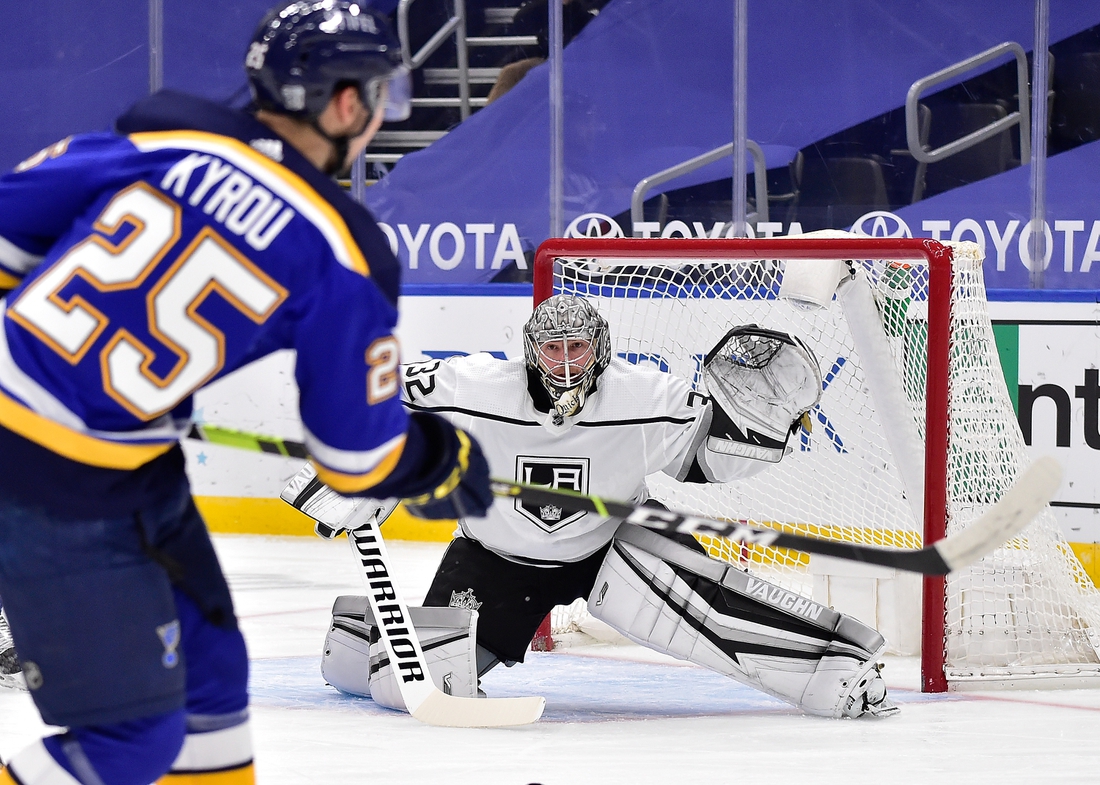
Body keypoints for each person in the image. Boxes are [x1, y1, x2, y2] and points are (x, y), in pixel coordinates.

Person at [0, 3, 491, 784]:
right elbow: (356, 461)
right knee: (131, 737)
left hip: (118, 466)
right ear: (342, 103)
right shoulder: (345, 250)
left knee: (211, 692)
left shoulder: (159, 137)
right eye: (380, 96)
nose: (379, 116)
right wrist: (438, 453)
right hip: (59, 487)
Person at [287, 294, 899, 719]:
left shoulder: (644, 398)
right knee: (405, 686)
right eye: (549, 350)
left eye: (576, 348)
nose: (563, 363)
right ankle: (358, 636)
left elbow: (711, 452)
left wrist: (769, 425)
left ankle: (844, 669)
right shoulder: (475, 388)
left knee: (722, 616)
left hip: (615, 545)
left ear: (601, 349)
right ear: (529, 350)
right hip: (496, 559)